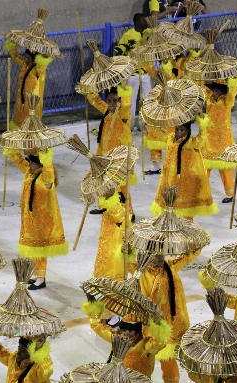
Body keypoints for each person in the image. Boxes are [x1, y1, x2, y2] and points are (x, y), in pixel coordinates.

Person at [3, 149, 68, 290]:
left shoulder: (46, 177)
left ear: (39, 165)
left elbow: (48, 168)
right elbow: (20, 161)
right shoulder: (30, 172)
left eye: (31, 163)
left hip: (43, 220)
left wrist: (46, 156)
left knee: (40, 248)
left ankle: (41, 278)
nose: (29, 165)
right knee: (33, 248)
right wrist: (12, 150)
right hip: (30, 218)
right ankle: (38, 274)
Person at [139, 251, 200, 383]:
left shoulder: (170, 265)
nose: (160, 257)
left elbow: (189, 255)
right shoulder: (142, 272)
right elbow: (126, 265)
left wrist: (196, 242)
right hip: (151, 324)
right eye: (156, 254)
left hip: (171, 323)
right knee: (147, 355)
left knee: (168, 356)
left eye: (162, 253)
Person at [82, 299, 171, 378]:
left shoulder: (145, 344)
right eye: (124, 330)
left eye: (130, 330)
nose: (127, 333)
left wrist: (159, 328)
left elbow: (156, 344)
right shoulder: (116, 337)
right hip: (117, 378)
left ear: (138, 331)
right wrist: (93, 308)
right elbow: (98, 326)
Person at [150, 117, 218, 220]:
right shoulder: (170, 138)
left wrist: (202, 122)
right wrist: (152, 120)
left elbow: (202, 137)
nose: (178, 132)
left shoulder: (192, 143)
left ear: (187, 131)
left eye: (181, 130)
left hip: (184, 184)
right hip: (169, 182)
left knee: (186, 212)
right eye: (177, 129)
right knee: (169, 211)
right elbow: (158, 132)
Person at [85, 84, 136, 215]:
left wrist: (124, 91)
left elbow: (126, 105)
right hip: (106, 154)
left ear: (120, 100)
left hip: (121, 156)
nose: (111, 103)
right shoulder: (107, 110)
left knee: (122, 185)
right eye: (109, 100)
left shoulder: (123, 114)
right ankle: (106, 206)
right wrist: (89, 88)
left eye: (115, 100)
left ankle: (128, 212)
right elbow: (95, 100)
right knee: (104, 182)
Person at [202, 77, 237, 203]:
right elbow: (201, 86)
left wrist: (234, 80)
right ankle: (202, 192)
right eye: (214, 90)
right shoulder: (208, 97)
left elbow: (232, 92)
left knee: (225, 168)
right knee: (204, 167)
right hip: (208, 139)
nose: (215, 93)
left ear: (223, 92)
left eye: (218, 91)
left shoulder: (227, 101)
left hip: (223, 140)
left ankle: (230, 193)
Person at [4, 41, 53, 129]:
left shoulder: (38, 71)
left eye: (28, 58)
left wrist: (45, 56)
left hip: (33, 103)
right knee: (18, 124)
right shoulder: (25, 65)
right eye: (25, 57)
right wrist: (13, 46)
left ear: (34, 59)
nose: (25, 59)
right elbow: (15, 57)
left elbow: (42, 65)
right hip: (21, 101)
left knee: (31, 127)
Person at [114, 14, 151, 130]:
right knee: (131, 100)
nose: (146, 22)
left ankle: (143, 124)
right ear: (137, 22)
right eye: (143, 20)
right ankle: (129, 125)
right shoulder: (128, 35)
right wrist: (123, 68)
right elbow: (119, 52)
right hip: (132, 74)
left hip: (146, 73)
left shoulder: (149, 33)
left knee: (147, 99)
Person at [92, 189, 135, 280]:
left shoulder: (118, 209)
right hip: (107, 244)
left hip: (115, 246)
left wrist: (110, 197)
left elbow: (118, 216)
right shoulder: (108, 210)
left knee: (113, 263)